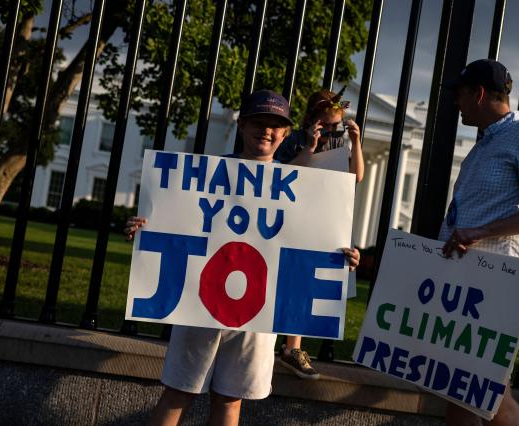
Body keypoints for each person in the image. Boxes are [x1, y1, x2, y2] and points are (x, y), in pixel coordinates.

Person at [124, 89, 361, 426]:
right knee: (179, 393)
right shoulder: (204, 174)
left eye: (275, 124)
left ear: (285, 132)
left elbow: (313, 238)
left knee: (230, 401)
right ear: (242, 125)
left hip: (260, 313)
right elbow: (173, 220)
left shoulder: (300, 184)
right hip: (199, 308)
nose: (266, 130)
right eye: (258, 122)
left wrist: (343, 258)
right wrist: (145, 228)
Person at [439, 59, 519, 425]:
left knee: (488, 390)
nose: (456, 103)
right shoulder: (486, 144)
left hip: (495, 282)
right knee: (460, 387)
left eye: (460, 94)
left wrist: (479, 232)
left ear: (478, 93)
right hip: (467, 282)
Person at [273, 87, 365, 380]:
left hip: (322, 219)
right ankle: (277, 343)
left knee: (305, 283)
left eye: (334, 125)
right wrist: (310, 148)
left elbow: (356, 177)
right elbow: (282, 176)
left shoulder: (340, 143)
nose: (328, 130)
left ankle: (292, 348)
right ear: (310, 120)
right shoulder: (297, 141)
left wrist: (355, 141)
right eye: (324, 124)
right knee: (284, 278)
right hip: (291, 218)